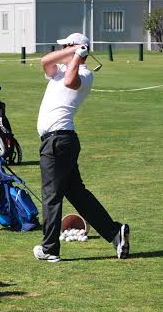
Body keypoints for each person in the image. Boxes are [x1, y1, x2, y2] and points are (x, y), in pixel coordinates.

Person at [33, 33, 130, 262]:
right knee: (78, 195)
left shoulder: (84, 75)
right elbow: (44, 61)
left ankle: (49, 249)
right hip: (60, 142)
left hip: (58, 141)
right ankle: (115, 233)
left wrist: (77, 54)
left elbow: (70, 81)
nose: (62, 51)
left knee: (51, 196)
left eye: (66, 47)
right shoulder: (56, 71)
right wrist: (73, 51)